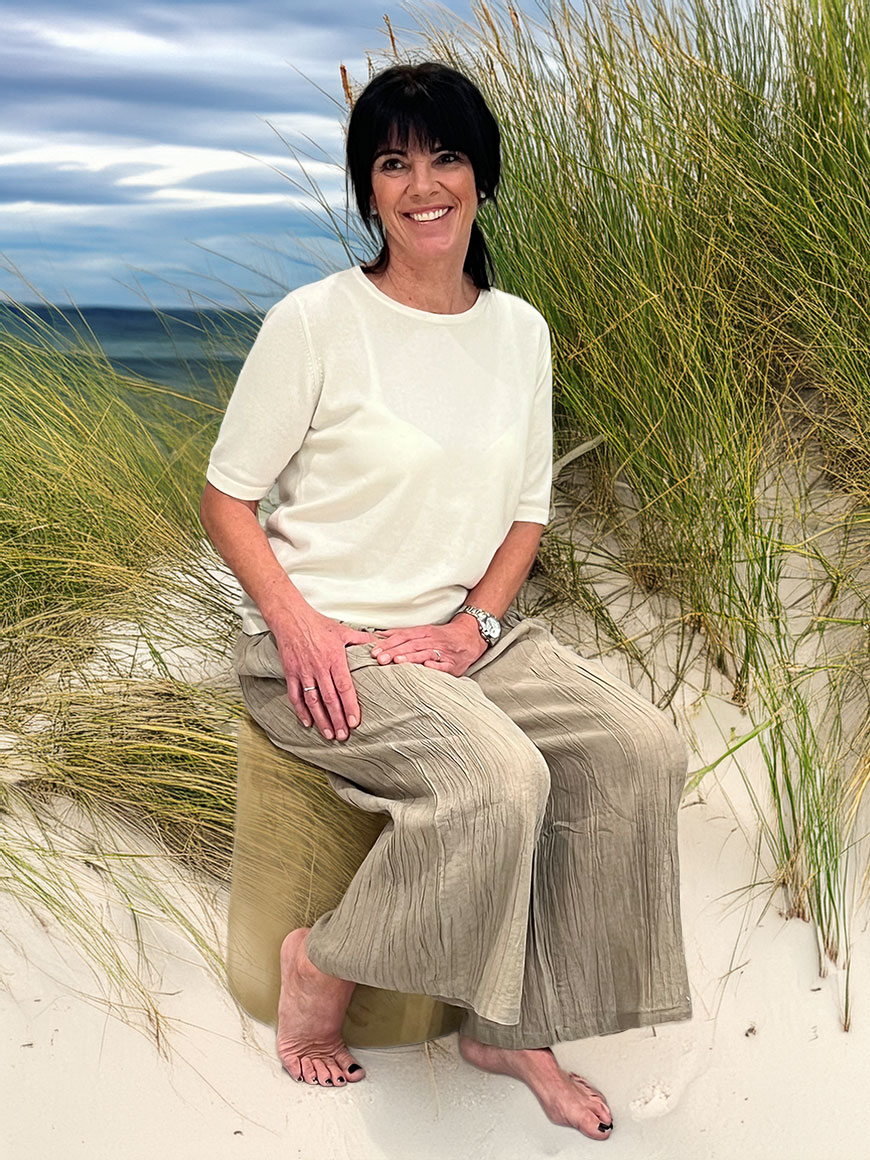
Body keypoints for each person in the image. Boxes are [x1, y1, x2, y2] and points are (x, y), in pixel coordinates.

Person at [200, 60, 692, 1143]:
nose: (423, 185)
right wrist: (297, 624)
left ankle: (513, 1026)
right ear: (368, 190)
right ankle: (322, 965)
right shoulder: (316, 321)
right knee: (499, 779)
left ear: (483, 176)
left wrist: (476, 627)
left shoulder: (519, 331)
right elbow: (227, 497)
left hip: (459, 636)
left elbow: (526, 511)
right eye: (393, 163)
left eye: (446, 157)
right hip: (326, 642)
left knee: (639, 746)